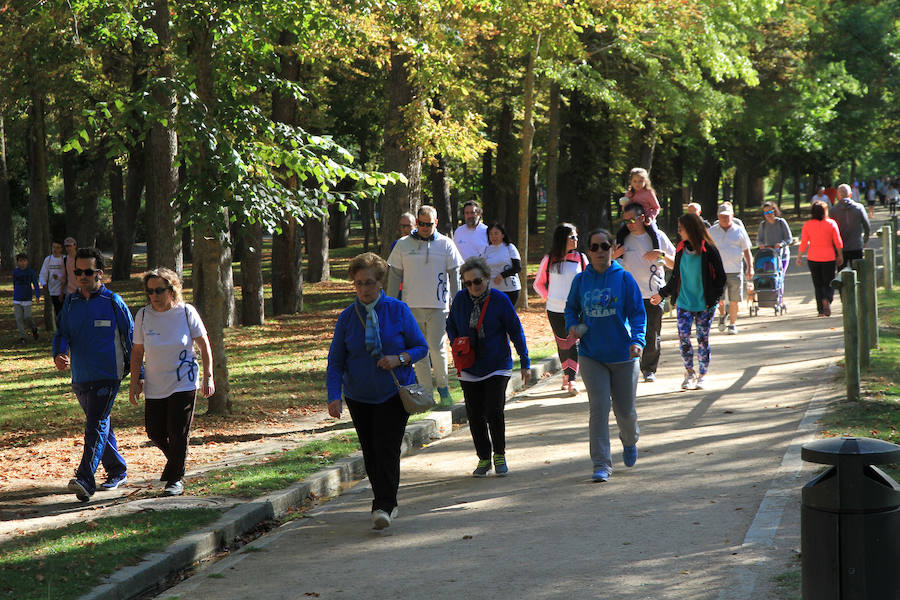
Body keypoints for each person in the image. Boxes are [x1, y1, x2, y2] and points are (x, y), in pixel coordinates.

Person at [326, 252, 428, 530]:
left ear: (381, 282)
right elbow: (336, 360)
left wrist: (400, 358)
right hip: (359, 396)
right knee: (371, 452)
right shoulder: (347, 317)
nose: (363, 289)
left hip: (392, 394)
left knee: (387, 448)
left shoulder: (397, 310)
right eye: (358, 283)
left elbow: (421, 347)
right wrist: (334, 396)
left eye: (369, 283)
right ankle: (384, 499)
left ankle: (384, 504)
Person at [53, 248, 134, 502]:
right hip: (81, 375)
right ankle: (117, 469)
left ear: (100, 273)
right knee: (100, 423)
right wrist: (59, 353)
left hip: (109, 374)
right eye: (78, 272)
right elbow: (62, 333)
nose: (82, 276)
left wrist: (139, 372)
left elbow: (132, 338)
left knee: (95, 424)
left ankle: (85, 479)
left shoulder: (113, 302)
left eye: (87, 272)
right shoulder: (70, 302)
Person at [565, 229, 645, 483]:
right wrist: (573, 326)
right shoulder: (581, 281)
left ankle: (629, 439)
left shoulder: (624, 279)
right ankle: (601, 463)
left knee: (626, 413)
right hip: (592, 355)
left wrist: (637, 340)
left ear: (613, 249)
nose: (600, 251)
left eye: (605, 246)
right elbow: (571, 309)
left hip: (623, 355)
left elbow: (637, 314)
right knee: (599, 408)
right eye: (595, 247)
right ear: (588, 251)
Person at [128, 268, 214, 497]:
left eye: (159, 290)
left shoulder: (186, 312)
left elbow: (204, 345)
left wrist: (208, 376)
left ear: (172, 289)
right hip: (155, 383)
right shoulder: (143, 315)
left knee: (178, 431)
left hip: (184, 380)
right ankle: (179, 463)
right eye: (150, 291)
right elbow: (137, 352)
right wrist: (134, 382)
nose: (154, 295)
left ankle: (174, 480)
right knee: (154, 431)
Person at [447, 256, 530, 477]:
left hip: (497, 363)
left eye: (477, 281)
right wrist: (458, 344)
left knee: (493, 410)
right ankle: (483, 458)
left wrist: (524, 361)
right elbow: (451, 325)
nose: (473, 287)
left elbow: (515, 331)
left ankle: (499, 454)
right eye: (467, 283)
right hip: (470, 366)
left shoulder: (500, 300)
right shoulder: (460, 300)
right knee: (474, 415)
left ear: (486, 279)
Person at [387, 205, 463, 406]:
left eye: (428, 224)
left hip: (438, 306)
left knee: (437, 349)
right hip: (410, 307)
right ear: (416, 222)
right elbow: (394, 277)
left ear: (435, 223)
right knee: (418, 351)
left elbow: (454, 277)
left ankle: (443, 388)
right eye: (421, 223)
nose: (424, 227)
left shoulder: (446, 245)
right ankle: (427, 394)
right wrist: (389, 304)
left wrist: (458, 304)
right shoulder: (403, 245)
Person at [650, 213, 727, 391]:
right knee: (684, 338)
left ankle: (703, 375)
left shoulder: (709, 249)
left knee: (702, 339)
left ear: (691, 229)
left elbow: (720, 278)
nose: (679, 232)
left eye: (681, 229)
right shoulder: (680, 249)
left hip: (704, 304)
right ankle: (689, 372)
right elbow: (675, 276)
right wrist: (662, 294)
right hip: (684, 303)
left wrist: (714, 299)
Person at [611, 203, 675, 383]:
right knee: (626, 332)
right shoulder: (623, 240)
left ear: (641, 218)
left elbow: (676, 263)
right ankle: (628, 367)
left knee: (651, 334)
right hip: (628, 294)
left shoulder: (658, 237)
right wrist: (613, 257)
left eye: (632, 220)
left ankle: (649, 369)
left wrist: (661, 255)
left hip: (653, 293)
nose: (629, 224)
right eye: (626, 221)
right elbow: (607, 265)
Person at [533, 223, 588, 395]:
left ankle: (572, 380)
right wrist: (550, 298)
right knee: (563, 344)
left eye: (576, 236)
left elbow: (587, 281)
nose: (576, 239)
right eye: (572, 236)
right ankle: (567, 375)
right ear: (562, 238)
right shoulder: (549, 259)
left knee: (574, 343)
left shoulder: (581, 258)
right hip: (554, 310)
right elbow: (538, 284)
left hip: (576, 310)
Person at [709, 203, 753, 335]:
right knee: (719, 299)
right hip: (717, 271)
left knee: (734, 299)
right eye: (722, 216)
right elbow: (705, 251)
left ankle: (733, 324)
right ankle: (722, 316)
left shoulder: (739, 231)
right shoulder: (711, 231)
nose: (724, 219)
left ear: (732, 216)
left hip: (735, 270)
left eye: (727, 216)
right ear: (718, 216)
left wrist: (750, 267)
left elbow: (747, 251)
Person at [797, 201, 843, 317]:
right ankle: (827, 299)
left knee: (817, 284)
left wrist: (799, 256)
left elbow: (803, 243)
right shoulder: (831, 223)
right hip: (828, 257)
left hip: (813, 257)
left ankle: (820, 311)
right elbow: (838, 241)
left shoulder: (807, 225)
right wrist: (840, 255)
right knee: (829, 282)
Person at [615, 168, 661, 251]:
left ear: (645, 181)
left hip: (646, 219)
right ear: (631, 182)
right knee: (620, 233)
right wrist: (626, 204)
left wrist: (650, 218)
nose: (637, 184)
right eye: (635, 181)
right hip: (632, 220)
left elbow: (656, 207)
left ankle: (657, 252)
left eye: (640, 181)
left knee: (654, 233)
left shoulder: (648, 193)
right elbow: (625, 209)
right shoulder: (629, 194)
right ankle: (620, 254)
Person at [829, 183, 869, 269]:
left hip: (840, 248)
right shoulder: (859, 208)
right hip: (856, 245)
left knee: (841, 276)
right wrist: (865, 240)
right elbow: (867, 225)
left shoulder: (833, 210)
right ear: (850, 194)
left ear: (837, 195)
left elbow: (830, 230)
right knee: (859, 274)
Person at [482, 222, 522, 306]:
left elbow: (517, 267)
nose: (493, 237)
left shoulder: (510, 247)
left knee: (507, 317)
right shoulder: (487, 250)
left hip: (510, 289)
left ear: (503, 235)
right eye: (491, 234)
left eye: (496, 233)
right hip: (492, 290)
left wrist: (502, 276)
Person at [756, 201, 793, 275]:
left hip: (782, 256)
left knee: (780, 276)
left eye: (769, 211)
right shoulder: (763, 225)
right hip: (769, 256)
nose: (768, 214)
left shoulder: (781, 222)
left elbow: (789, 239)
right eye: (765, 213)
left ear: (774, 211)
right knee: (770, 277)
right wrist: (761, 245)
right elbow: (759, 240)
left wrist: (781, 244)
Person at [12, 253, 41, 343]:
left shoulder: (31, 272)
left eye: (24, 260)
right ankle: (22, 337)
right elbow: (14, 284)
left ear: (27, 261)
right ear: (17, 262)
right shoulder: (15, 272)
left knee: (28, 316)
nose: (23, 263)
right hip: (17, 299)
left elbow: (36, 284)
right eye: (20, 261)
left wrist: (37, 295)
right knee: (19, 318)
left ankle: (34, 329)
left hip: (27, 299)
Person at [39, 241, 68, 319]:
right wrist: (43, 283)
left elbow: (67, 275)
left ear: (61, 249)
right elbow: (43, 273)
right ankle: (60, 329)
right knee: (57, 312)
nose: (55, 249)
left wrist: (58, 277)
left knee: (64, 312)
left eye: (58, 247)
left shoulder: (64, 259)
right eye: (54, 247)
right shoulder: (48, 259)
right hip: (53, 290)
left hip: (64, 290)